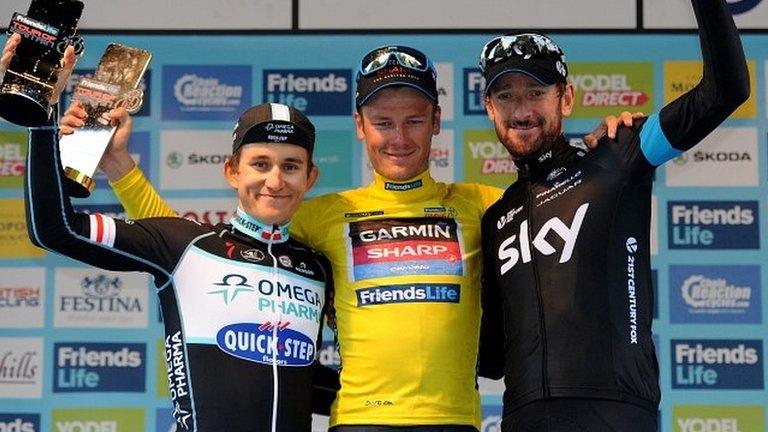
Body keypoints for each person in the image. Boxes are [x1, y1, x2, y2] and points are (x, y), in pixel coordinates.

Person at [62, 44, 633, 431]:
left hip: (457, 420)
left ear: (437, 121)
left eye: (414, 119)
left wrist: (600, 150)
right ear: (360, 127)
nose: (399, 136)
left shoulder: (484, 204)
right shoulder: (322, 215)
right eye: (383, 122)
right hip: (357, 420)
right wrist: (119, 169)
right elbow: (194, 249)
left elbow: (563, 203)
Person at [477, 1, 749, 431]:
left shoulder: (620, 155)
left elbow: (726, 90)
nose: (521, 110)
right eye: (505, 96)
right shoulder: (496, 218)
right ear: (490, 108)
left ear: (565, 97)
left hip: (615, 412)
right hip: (522, 418)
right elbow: (490, 358)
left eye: (536, 92)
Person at [23, 97, 336, 430]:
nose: (275, 181)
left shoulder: (318, 268)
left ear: (310, 177)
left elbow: (302, 382)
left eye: (290, 166)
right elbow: (55, 230)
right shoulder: (186, 245)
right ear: (231, 171)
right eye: (260, 164)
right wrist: (42, 122)